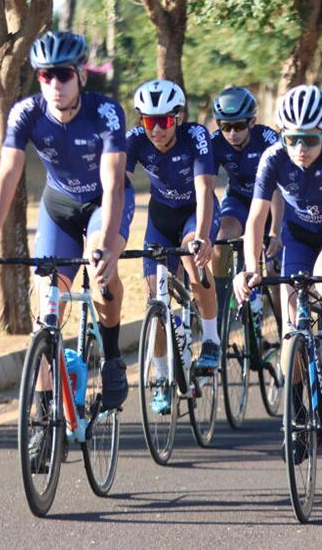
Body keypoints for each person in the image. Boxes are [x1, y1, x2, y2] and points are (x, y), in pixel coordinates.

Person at [0, 30, 134, 411]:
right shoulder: (26, 113)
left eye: (63, 74)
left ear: (81, 76)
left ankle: (111, 357)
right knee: (47, 311)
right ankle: (43, 414)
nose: (55, 84)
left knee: (101, 272)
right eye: (45, 75)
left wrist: (107, 244)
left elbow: (113, 184)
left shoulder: (106, 113)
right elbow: (7, 177)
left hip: (102, 206)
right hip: (58, 206)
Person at [232, 85, 322, 412]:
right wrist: (250, 269)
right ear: (282, 135)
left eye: (310, 139)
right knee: (292, 329)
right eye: (292, 139)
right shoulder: (273, 157)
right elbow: (255, 219)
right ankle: (296, 410)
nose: (300, 148)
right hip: (299, 233)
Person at [126, 79, 219, 415]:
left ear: (177, 118)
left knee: (193, 260)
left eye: (164, 121)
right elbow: (116, 182)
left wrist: (203, 236)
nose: (156, 129)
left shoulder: (196, 137)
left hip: (197, 213)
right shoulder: (135, 140)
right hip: (160, 217)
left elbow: (205, 189)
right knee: (157, 301)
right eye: (149, 121)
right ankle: (162, 379)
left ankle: (211, 339)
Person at [209, 86, 284, 310]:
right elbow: (206, 187)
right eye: (225, 126)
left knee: (273, 270)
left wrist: (275, 231)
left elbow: (278, 189)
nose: (232, 133)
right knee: (222, 240)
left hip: (272, 200)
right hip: (239, 198)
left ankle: (285, 331)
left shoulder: (267, 139)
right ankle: (221, 308)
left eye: (239, 125)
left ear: (252, 122)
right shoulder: (215, 143)